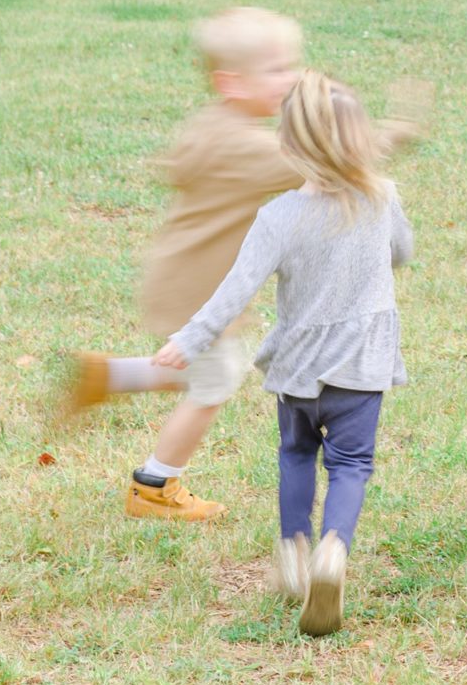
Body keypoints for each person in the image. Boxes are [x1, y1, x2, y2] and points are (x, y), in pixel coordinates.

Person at [153, 70, 414, 638]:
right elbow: (403, 250)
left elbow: (236, 289)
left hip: (299, 364)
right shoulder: (383, 196)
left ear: (290, 145)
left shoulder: (278, 216)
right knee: (350, 465)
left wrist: (190, 340)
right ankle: (332, 551)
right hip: (360, 364)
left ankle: (294, 551)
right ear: (361, 139)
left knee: (296, 453)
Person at [55, 5, 304, 520]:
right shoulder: (244, 147)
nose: (293, 77)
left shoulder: (214, 125)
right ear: (231, 83)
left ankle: (109, 377)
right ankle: (154, 487)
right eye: (278, 68)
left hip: (182, 279)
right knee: (214, 383)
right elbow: (321, 163)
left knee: (202, 372)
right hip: (198, 292)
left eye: (293, 64)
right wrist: (383, 135)